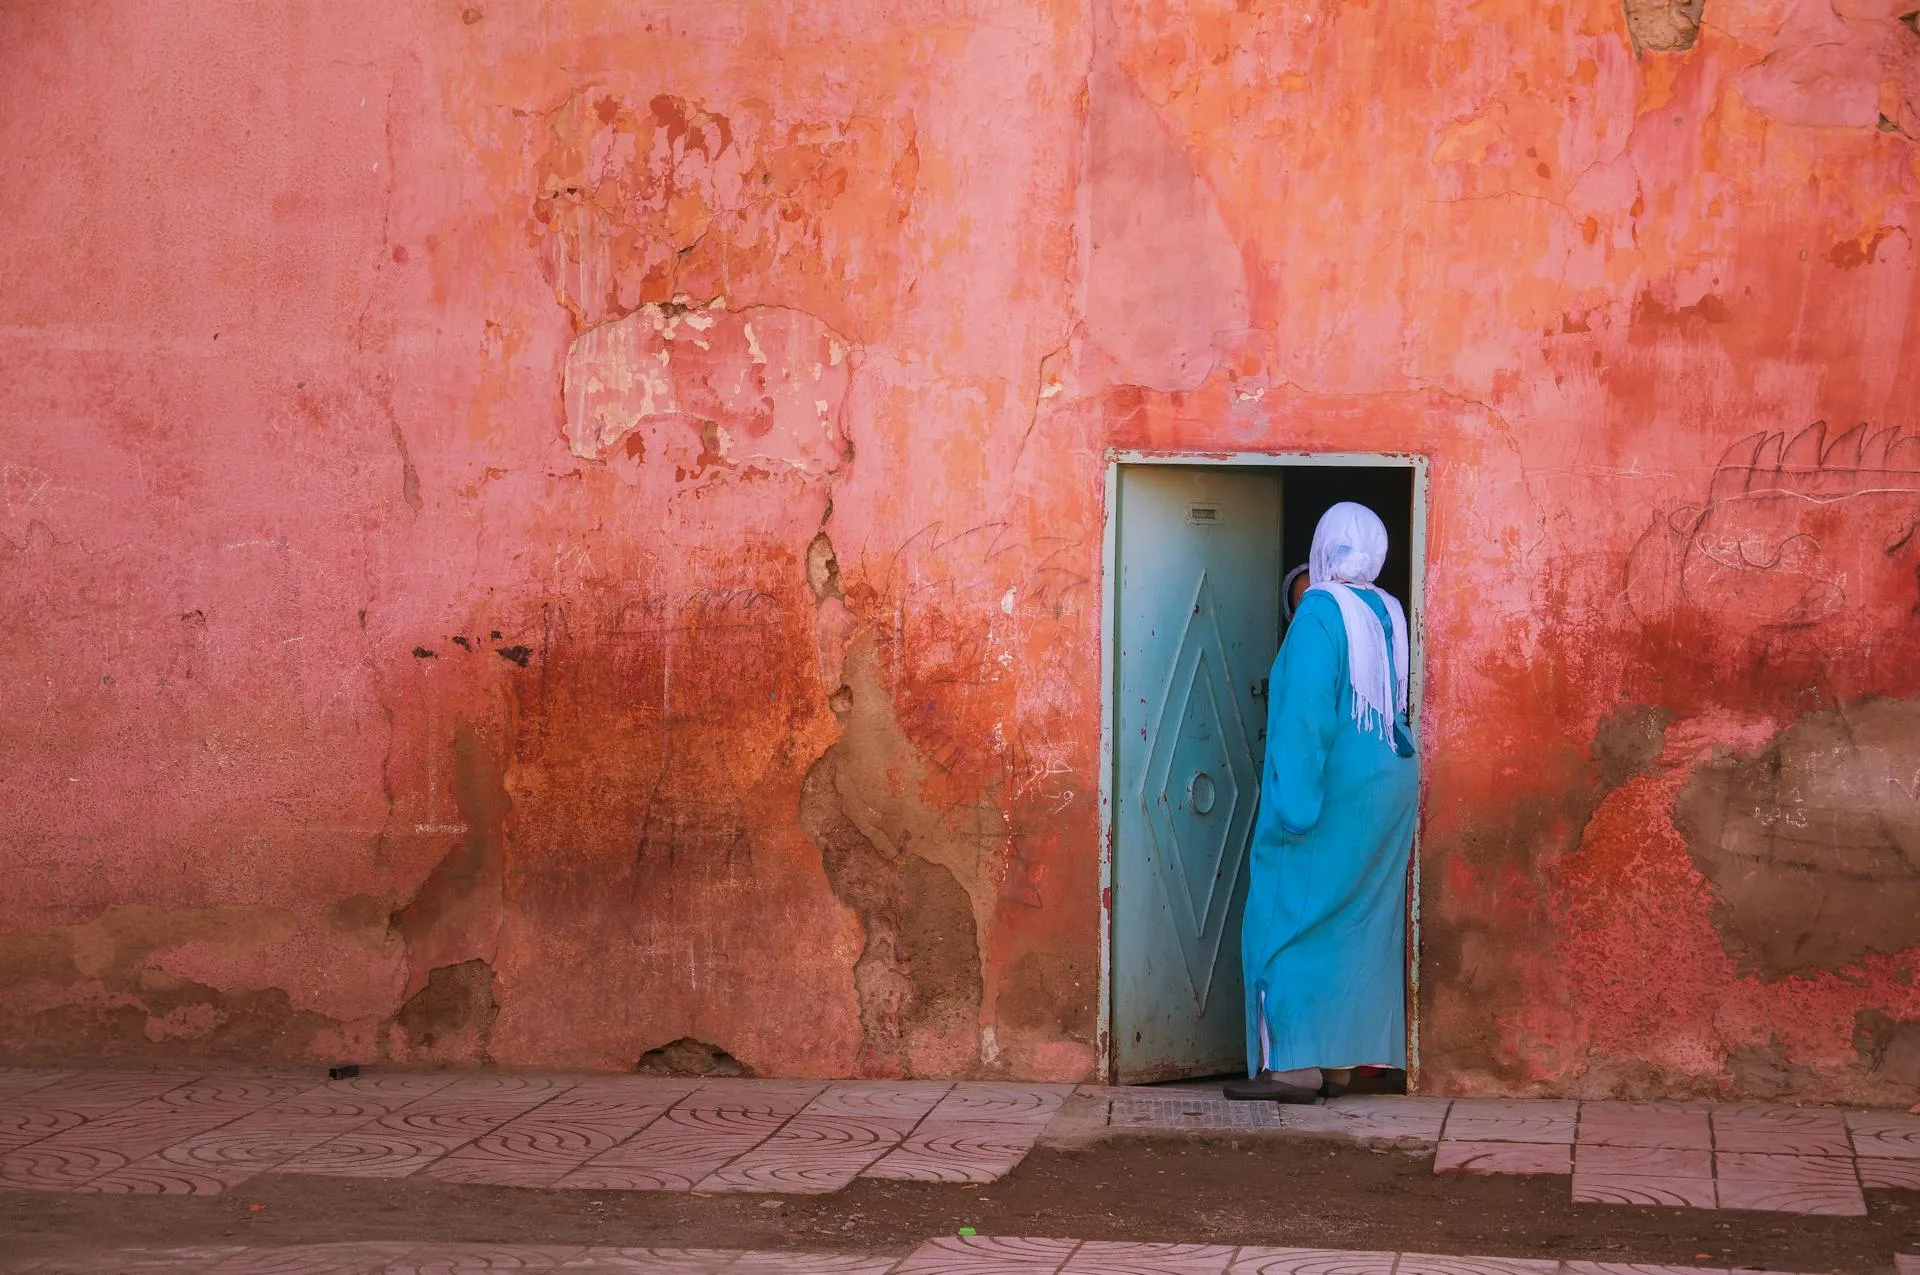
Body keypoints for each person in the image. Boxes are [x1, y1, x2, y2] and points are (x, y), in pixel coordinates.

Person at [1225, 502, 1418, 1103]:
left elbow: (1305, 716)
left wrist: (1294, 805)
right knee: (1355, 923)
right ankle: (1336, 1061)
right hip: (1389, 787)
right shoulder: (1389, 611)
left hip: (1330, 789)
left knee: (1283, 912)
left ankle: (1292, 1067)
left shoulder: (1318, 614)